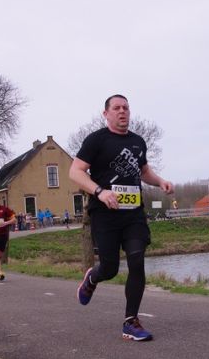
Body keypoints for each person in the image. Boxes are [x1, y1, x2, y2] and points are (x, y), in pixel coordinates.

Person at [69, 94, 174, 341]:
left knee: (137, 261)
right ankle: (92, 277)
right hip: (105, 214)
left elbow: (144, 171)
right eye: (116, 108)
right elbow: (75, 171)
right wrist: (100, 191)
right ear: (106, 114)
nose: (122, 111)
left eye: (126, 107)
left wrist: (160, 181)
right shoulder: (96, 140)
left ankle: (131, 322)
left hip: (133, 213)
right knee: (110, 268)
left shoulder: (138, 141)